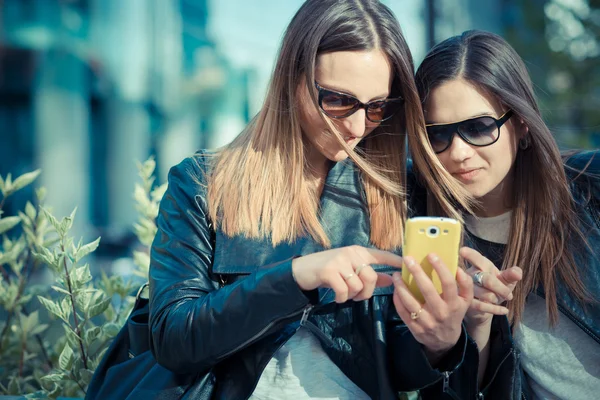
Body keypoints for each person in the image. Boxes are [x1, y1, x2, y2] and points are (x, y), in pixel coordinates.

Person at [148, 2, 512, 399]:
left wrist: (439, 343)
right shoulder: (203, 184)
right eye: (339, 100)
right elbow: (174, 338)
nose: (357, 127)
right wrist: (297, 276)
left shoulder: (403, 193)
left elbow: (393, 369)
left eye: (377, 107)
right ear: (293, 78)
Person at [411, 29, 600, 399]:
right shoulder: (429, 232)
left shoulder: (591, 191)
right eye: (438, 135)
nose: (458, 152)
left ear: (522, 122)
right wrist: (475, 324)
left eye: (478, 128)